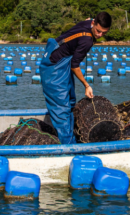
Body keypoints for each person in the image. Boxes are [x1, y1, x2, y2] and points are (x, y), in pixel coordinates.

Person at [39, 12, 112, 144]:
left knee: (71, 101)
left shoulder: (88, 22)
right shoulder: (87, 41)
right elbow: (74, 65)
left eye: (104, 33)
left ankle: (71, 136)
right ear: (94, 23)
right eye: (98, 31)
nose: (100, 35)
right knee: (61, 108)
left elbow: (89, 19)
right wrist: (86, 85)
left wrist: (90, 20)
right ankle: (68, 146)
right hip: (53, 67)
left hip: (63, 63)